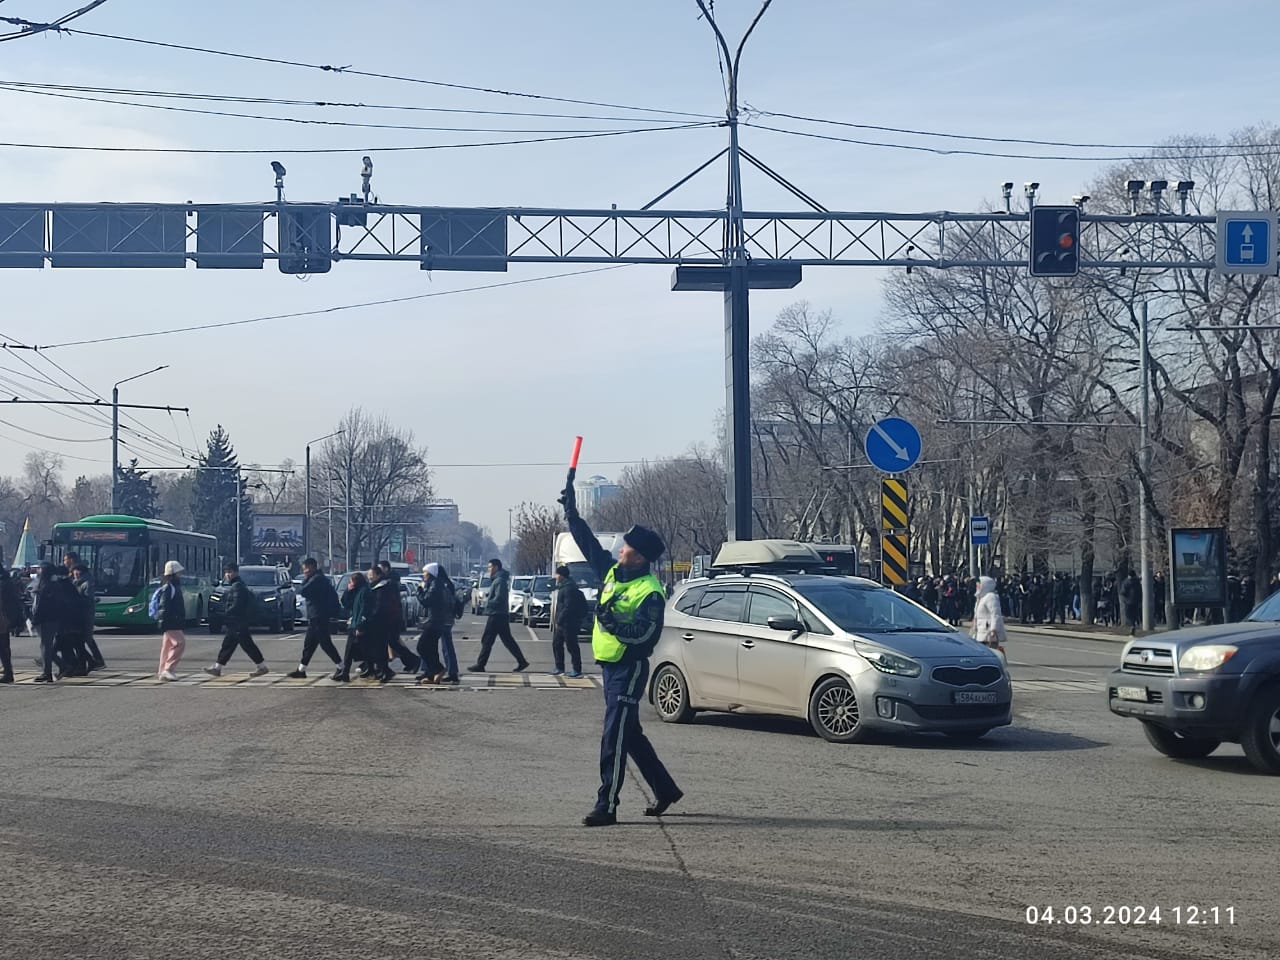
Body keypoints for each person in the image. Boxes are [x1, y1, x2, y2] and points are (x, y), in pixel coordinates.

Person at [560, 484, 682, 827]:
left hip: (629, 669)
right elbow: (587, 543)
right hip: (610, 668)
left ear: (639, 556)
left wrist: (612, 624)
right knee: (630, 734)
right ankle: (665, 788)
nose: (621, 549)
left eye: (626, 546)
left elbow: (645, 636)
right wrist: (571, 512)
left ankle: (607, 805)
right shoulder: (614, 572)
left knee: (614, 735)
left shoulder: (650, 592)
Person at [204, 563, 268, 677]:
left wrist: (226, 613)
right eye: (226, 572)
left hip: (238, 621)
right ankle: (217, 668)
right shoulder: (237, 585)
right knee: (228, 645)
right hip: (236, 622)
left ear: (236, 572)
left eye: (230, 572)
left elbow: (237, 605)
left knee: (247, 645)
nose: (228, 575)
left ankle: (262, 667)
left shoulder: (237, 586)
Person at [467, 558, 529, 673]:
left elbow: (499, 598)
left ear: (496, 567)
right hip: (500, 614)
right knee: (507, 640)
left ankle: (481, 664)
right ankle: (521, 661)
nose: (488, 569)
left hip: (497, 614)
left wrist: (488, 602)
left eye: (490, 567)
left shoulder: (499, 581)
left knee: (487, 640)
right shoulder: (498, 580)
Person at [289, 558, 342, 679]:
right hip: (315, 616)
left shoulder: (317, 579)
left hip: (319, 615)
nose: (304, 572)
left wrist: (306, 579)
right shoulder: (318, 578)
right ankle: (301, 669)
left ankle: (341, 667)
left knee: (325, 643)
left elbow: (303, 591)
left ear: (312, 567)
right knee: (309, 644)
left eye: (305, 569)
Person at [414, 563, 457, 684]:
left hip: (434, 621)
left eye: (425, 573)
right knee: (431, 649)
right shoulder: (436, 584)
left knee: (422, 647)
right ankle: (431, 674)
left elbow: (426, 601)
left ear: (431, 573)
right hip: (437, 621)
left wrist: (419, 590)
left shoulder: (436, 585)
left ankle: (439, 669)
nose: (423, 575)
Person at [333, 572, 380, 682]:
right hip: (354, 624)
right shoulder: (357, 591)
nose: (349, 583)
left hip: (359, 625)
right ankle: (349, 672)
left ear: (356, 581)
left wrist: (360, 626)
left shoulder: (365, 592)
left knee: (361, 650)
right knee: (353, 651)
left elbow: (365, 610)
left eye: (351, 581)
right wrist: (348, 591)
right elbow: (346, 604)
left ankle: (372, 670)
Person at [377, 560, 420, 675]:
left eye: (380, 569)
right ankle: (409, 662)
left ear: (386, 569)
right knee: (391, 642)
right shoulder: (388, 581)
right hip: (390, 617)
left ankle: (413, 661)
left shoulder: (389, 582)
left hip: (391, 617)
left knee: (392, 642)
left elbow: (390, 602)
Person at [63, 552, 105, 669]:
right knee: (83, 638)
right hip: (78, 614)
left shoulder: (85, 580)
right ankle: (90, 662)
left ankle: (95, 661)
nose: (64, 562)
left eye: (66, 559)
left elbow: (87, 599)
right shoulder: (76, 577)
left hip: (83, 614)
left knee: (84, 638)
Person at [30, 563, 70, 683]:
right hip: (54, 618)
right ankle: (59, 666)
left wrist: (34, 620)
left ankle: (47, 672)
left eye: (40, 568)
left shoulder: (44, 585)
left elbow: (39, 606)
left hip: (44, 619)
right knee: (46, 645)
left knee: (45, 646)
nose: (38, 571)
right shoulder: (55, 585)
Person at [361, 564, 398, 683]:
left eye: (371, 575)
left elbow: (379, 607)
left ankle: (385, 671)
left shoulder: (382, 588)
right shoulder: (374, 586)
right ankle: (382, 670)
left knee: (380, 649)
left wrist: (371, 617)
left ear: (378, 575)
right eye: (368, 575)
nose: (369, 577)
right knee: (377, 648)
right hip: (378, 622)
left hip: (381, 623)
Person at [550, 564, 586, 678]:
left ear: (561, 576)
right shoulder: (563, 587)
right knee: (556, 644)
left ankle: (577, 669)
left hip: (568, 623)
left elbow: (568, 607)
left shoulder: (569, 589)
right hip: (562, 623)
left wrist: (559, 620)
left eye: (557, 574)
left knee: (572, 646)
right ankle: (559, 667)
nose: (556, 577)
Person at [155, 560, 187, 681]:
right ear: (173, 573)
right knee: (180, 643)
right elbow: (164, 606)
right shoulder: (169, 588)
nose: (181, 575)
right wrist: (163, 622)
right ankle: (168, 669)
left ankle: (162, 670)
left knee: (167, 647)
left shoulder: (171, 586)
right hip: (172, 621)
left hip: (170, 621)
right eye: (179, 572)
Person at [971, 576, 1007, 661]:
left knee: (991, 651)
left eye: (979, 583)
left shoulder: (990, 597)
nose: (977, 585)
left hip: (988, 630)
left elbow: (995, 614)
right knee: (980, 651)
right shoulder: (980, 597)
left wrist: (993, 629)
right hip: (980, 629)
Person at [0, 561, 22, 683]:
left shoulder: (2, 584)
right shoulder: (7, 581)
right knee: (4, 648)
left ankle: (8, 672)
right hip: (5, 618)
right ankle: (8, 671)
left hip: (2, 618)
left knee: (3, 648)